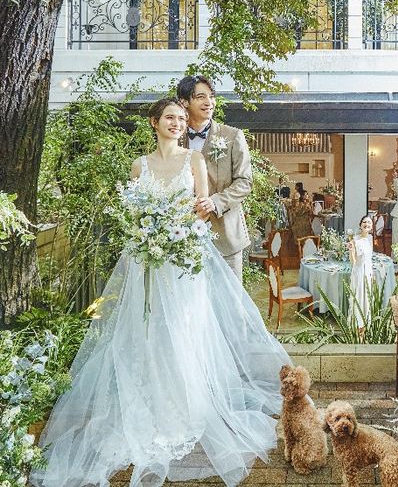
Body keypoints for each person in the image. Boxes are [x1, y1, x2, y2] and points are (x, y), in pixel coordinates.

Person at [32, 98, 291, 487]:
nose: (178, 123)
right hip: (148, 262)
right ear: (154, 122)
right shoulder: (140, 165)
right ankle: (151, 405)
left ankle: (188, 406)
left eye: (182, 118)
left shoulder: (195, 161)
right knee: (149, 331)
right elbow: (135, 213)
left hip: (184, 260)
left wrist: (175, 229)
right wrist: (148, 231)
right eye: (170, 117)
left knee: (185, 331)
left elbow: (201, 209)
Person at [177, 75, 252, 281]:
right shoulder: (175, 138)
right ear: (184, 102)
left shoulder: (232, 136)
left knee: (230, 298)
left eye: (211, 96)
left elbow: (244, 182)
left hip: (226, 237)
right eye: (201, 97)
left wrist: (215, 202)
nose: (209, 102)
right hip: (185, 236)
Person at [348, 215, 375, 336]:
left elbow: (370, 258)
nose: (366, 224)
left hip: (368, 272)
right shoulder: (355, 240)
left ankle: (365, 323)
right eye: (364, 222)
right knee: (359, 297)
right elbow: (353, 262)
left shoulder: (370, 238)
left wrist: (372, 273)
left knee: (367, 298)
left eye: (369, 223)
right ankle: (357, 324)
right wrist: (351, 250)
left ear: (371, 226)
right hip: (359, 272)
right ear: (360, 225)